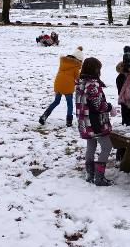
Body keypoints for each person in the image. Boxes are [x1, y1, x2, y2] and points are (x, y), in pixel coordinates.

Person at [75, 57, 115, 186]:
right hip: (96, 123)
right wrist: (110, 107)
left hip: (84, 121)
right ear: (95, 69)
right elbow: (98, 105)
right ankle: (99, 177)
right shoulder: (92, 85)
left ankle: (90, 174)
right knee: (107, 146)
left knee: (91, 145)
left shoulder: (80, 83)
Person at [39, 46, 84, 127]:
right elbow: (78, 78)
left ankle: (44, 116)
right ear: (79, 59)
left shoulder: (63, 62)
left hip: (58, 84)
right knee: (69, 104)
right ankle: (69, 121)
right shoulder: (75, 66)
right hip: (67, 86)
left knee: (56, 101)